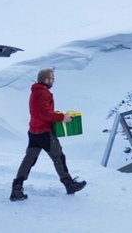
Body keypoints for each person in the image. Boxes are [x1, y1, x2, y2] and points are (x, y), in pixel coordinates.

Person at [10, 68, 86, 201]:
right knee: (59, 158)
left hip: (34, 131)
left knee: (29, 160)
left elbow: (41, 111)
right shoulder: (43, 93)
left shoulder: (36, 91)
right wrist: (62, 117)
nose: (53, 80)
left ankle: (16, 189)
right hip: (44, 132)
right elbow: (44, 114)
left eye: (53, 78)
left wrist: (54, 114)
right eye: (51, 78)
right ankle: (69, 185)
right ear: (44, 79)